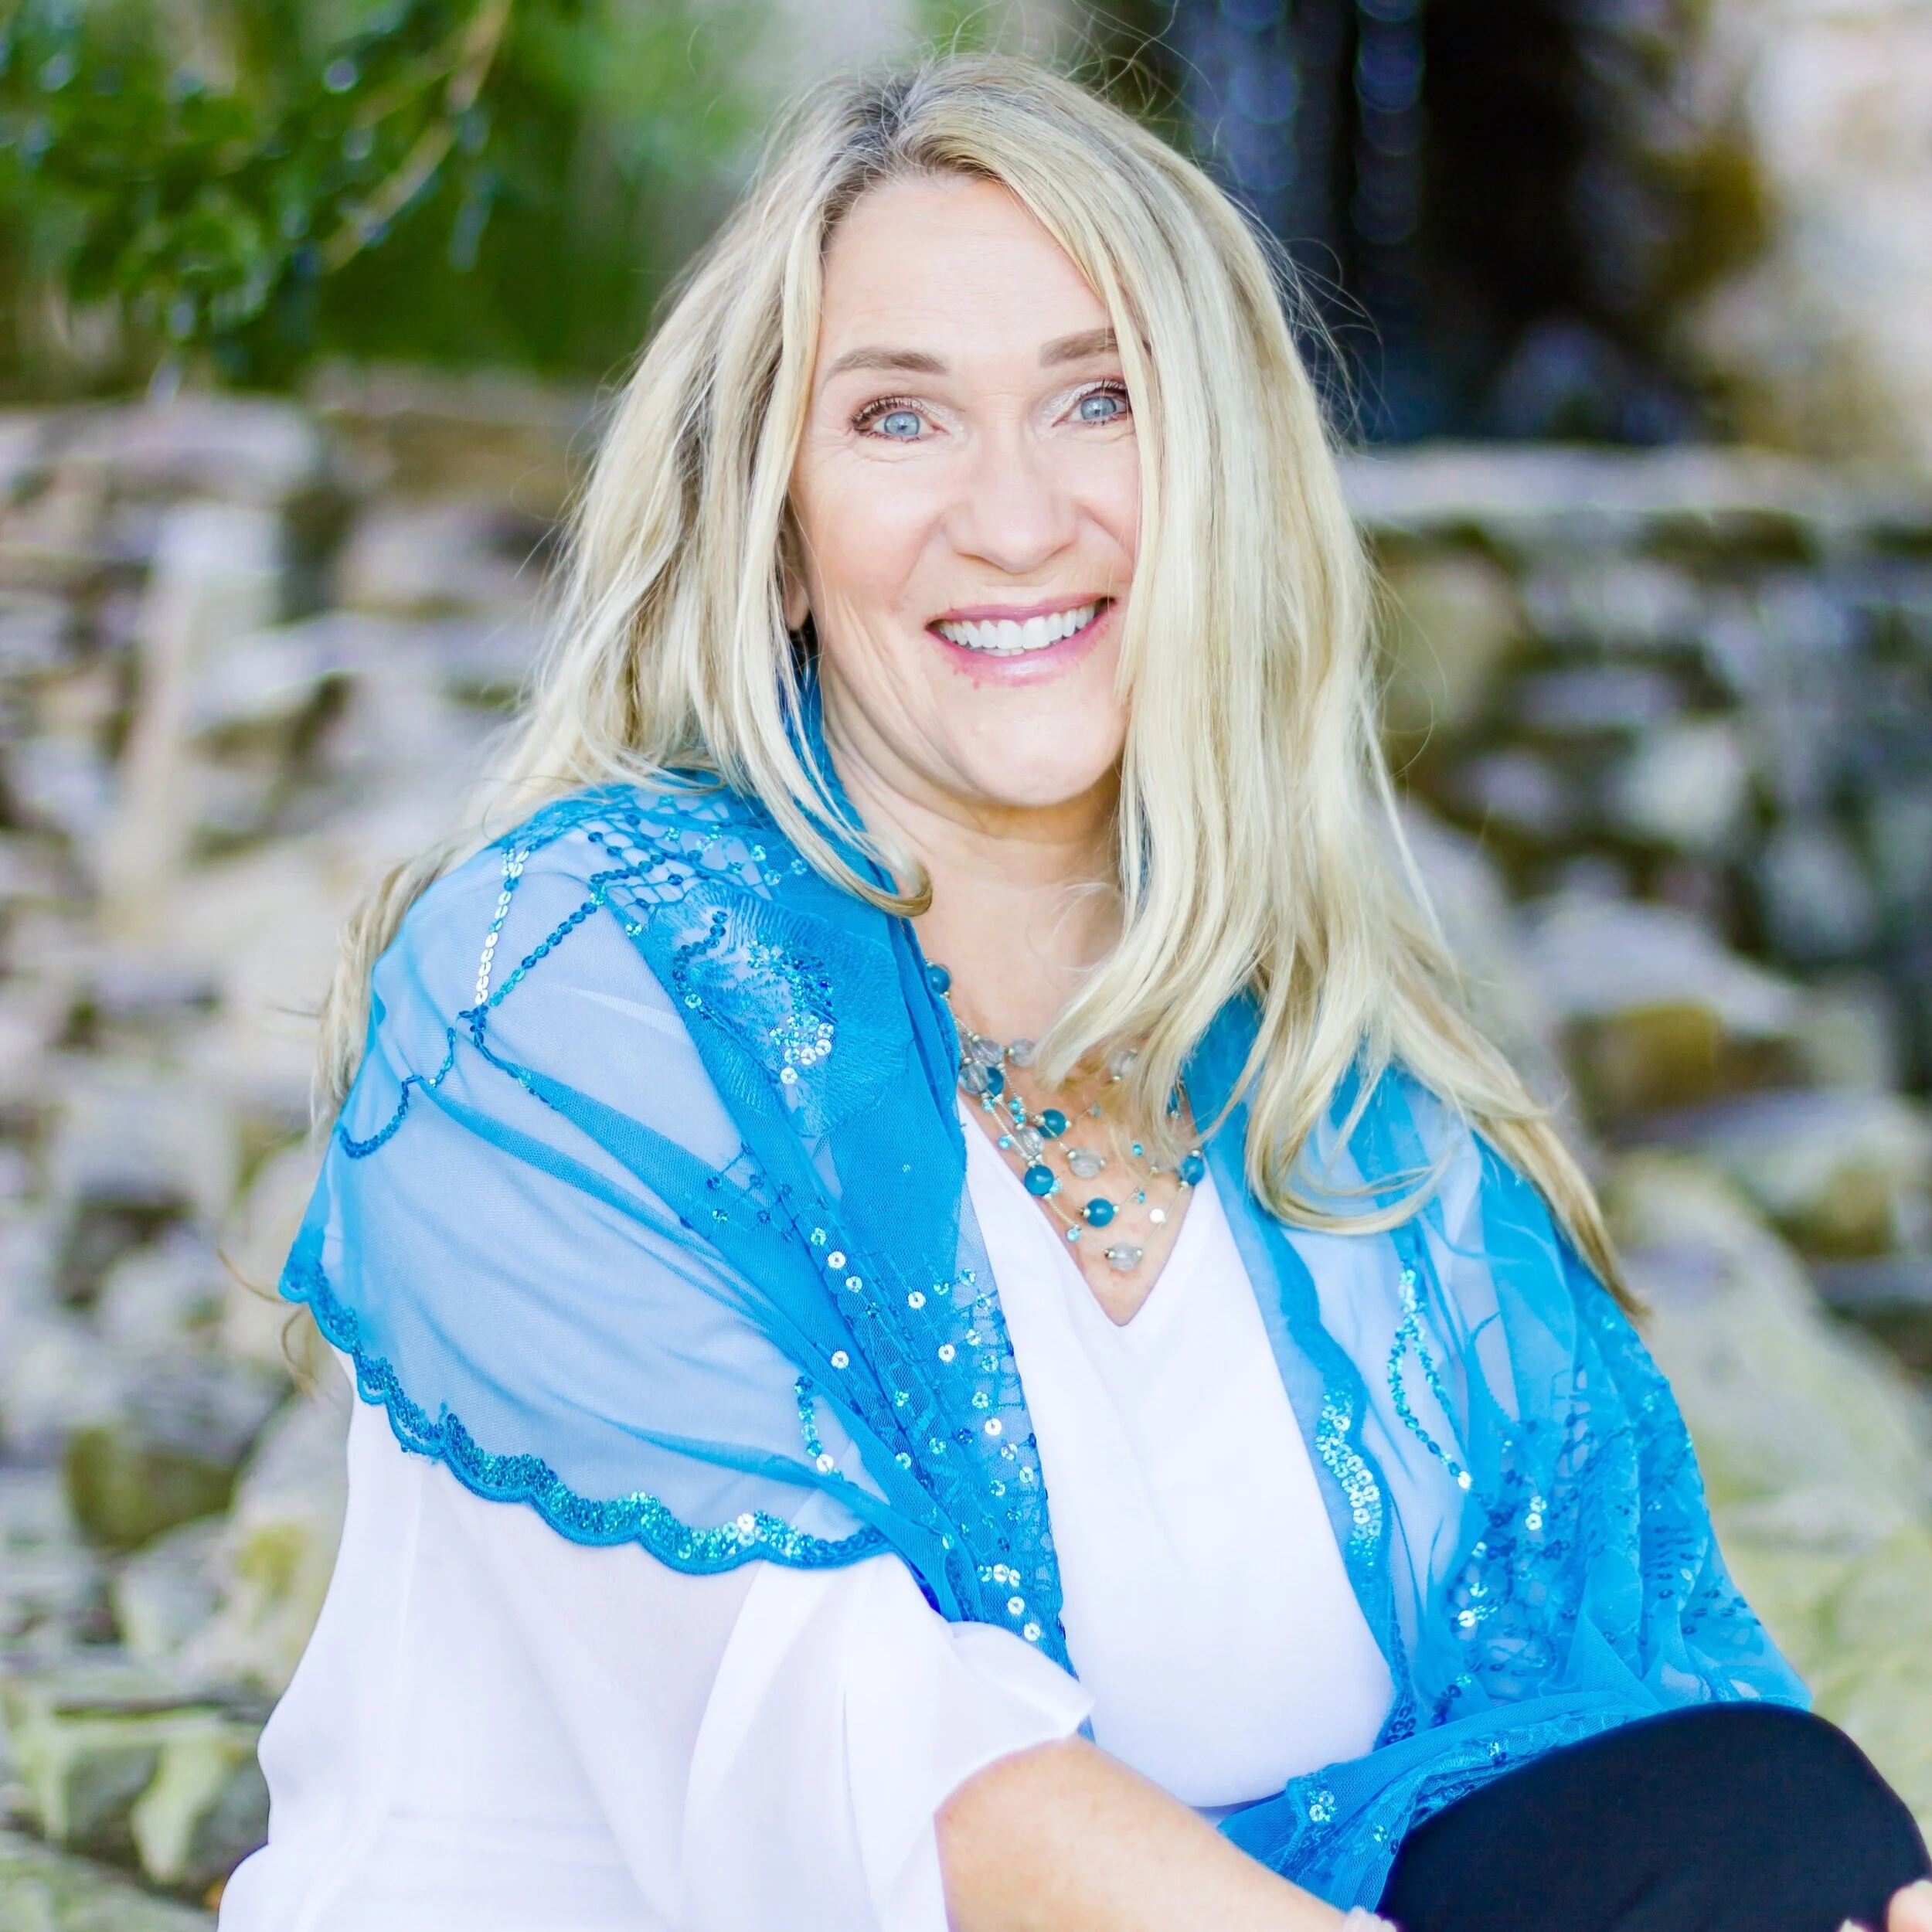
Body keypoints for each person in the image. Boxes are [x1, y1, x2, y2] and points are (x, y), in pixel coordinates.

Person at [219, 55, 1932, 1932]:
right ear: (773, 526)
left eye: (1095, 397)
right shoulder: (575, 977)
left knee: (1763, 1816)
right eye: (896, 420)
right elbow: (868, 1782)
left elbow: (1617, 1714)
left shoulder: (1346, 1113)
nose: (1014, 516)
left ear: (1214, 477)